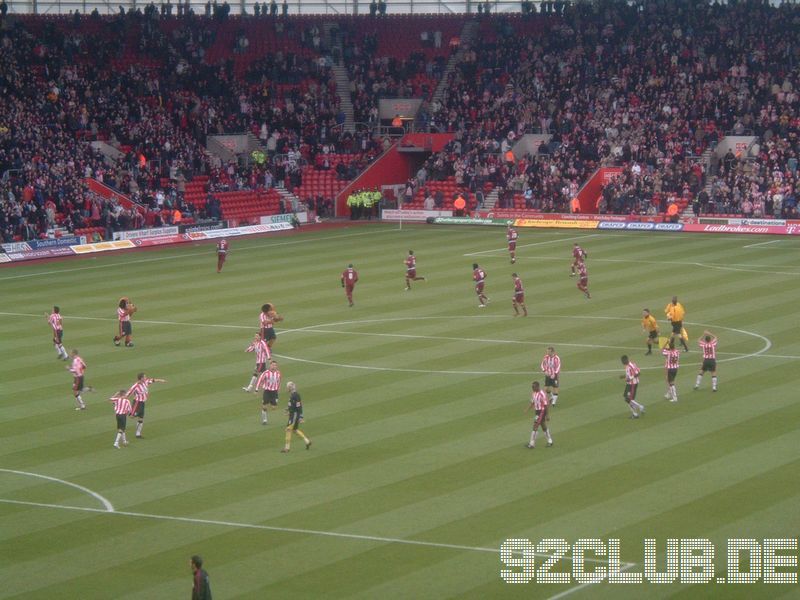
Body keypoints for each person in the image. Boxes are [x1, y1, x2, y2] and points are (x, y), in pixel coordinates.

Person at [127, 372, 167, 438]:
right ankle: (126, 410)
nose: (146, 378)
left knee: (141, 418)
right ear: (141, 378)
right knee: (132, 416)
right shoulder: (135, 386)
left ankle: (138, 434)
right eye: (144, 377)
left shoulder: (145, 382)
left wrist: (160, 380)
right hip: (137, 402)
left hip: (142, 403)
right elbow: (128, 393)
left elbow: (152, 380)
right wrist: (122, 401)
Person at [282, 381, 311, 452]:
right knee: (294, 430)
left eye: (288, 387)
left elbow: (299, 407)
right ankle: (307, 441)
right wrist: (288, 410)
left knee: (288, 430)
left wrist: (301, 417)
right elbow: (293, 405)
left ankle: (287, 448)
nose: (287, 388)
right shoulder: (292, 395)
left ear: (290, 388)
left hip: (294, 416)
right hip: (292, 415)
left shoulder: (296, 395)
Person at [524, 381, 552, 448]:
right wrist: (527, 409)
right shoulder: (534, 393)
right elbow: (533, 402)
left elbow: (546, 405)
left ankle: (532, 444)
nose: (532, 388)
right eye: (532, 387)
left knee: (535, 426)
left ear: (537, 387)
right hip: (537, 411)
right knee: (543, 426)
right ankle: (550, 441)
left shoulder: (542, 394)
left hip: (541, 411)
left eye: (533, 387)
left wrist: (547, 415)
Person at [255, 360, 281, 424]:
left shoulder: (278, 373)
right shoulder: (266, 373)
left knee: (273, 408)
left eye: (275, 365)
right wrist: (256, 390)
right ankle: (264, 420)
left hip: (274, 392)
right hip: (267, 391)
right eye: (273, 365)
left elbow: (279, 381)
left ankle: (271, 402)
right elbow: (260, 380)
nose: (274, 366)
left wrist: (278, 388)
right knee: (264, 406)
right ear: (270, 365)